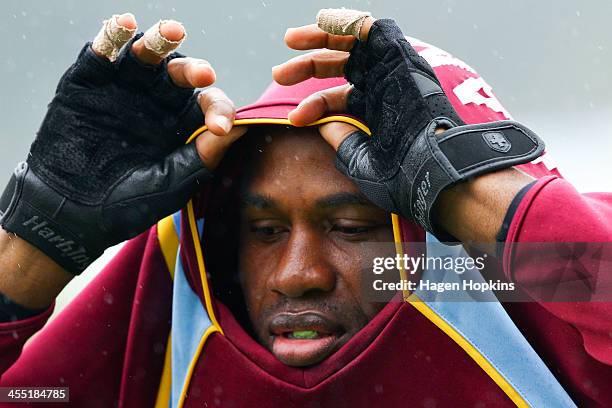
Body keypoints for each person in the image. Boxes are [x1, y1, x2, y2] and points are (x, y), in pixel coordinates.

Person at [0, 8, 610, 407]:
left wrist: (473, 189)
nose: (297, 275)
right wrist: (31, 248)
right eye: (263, 230)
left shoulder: (543, 289)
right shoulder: (181, 284)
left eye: (351, 227)